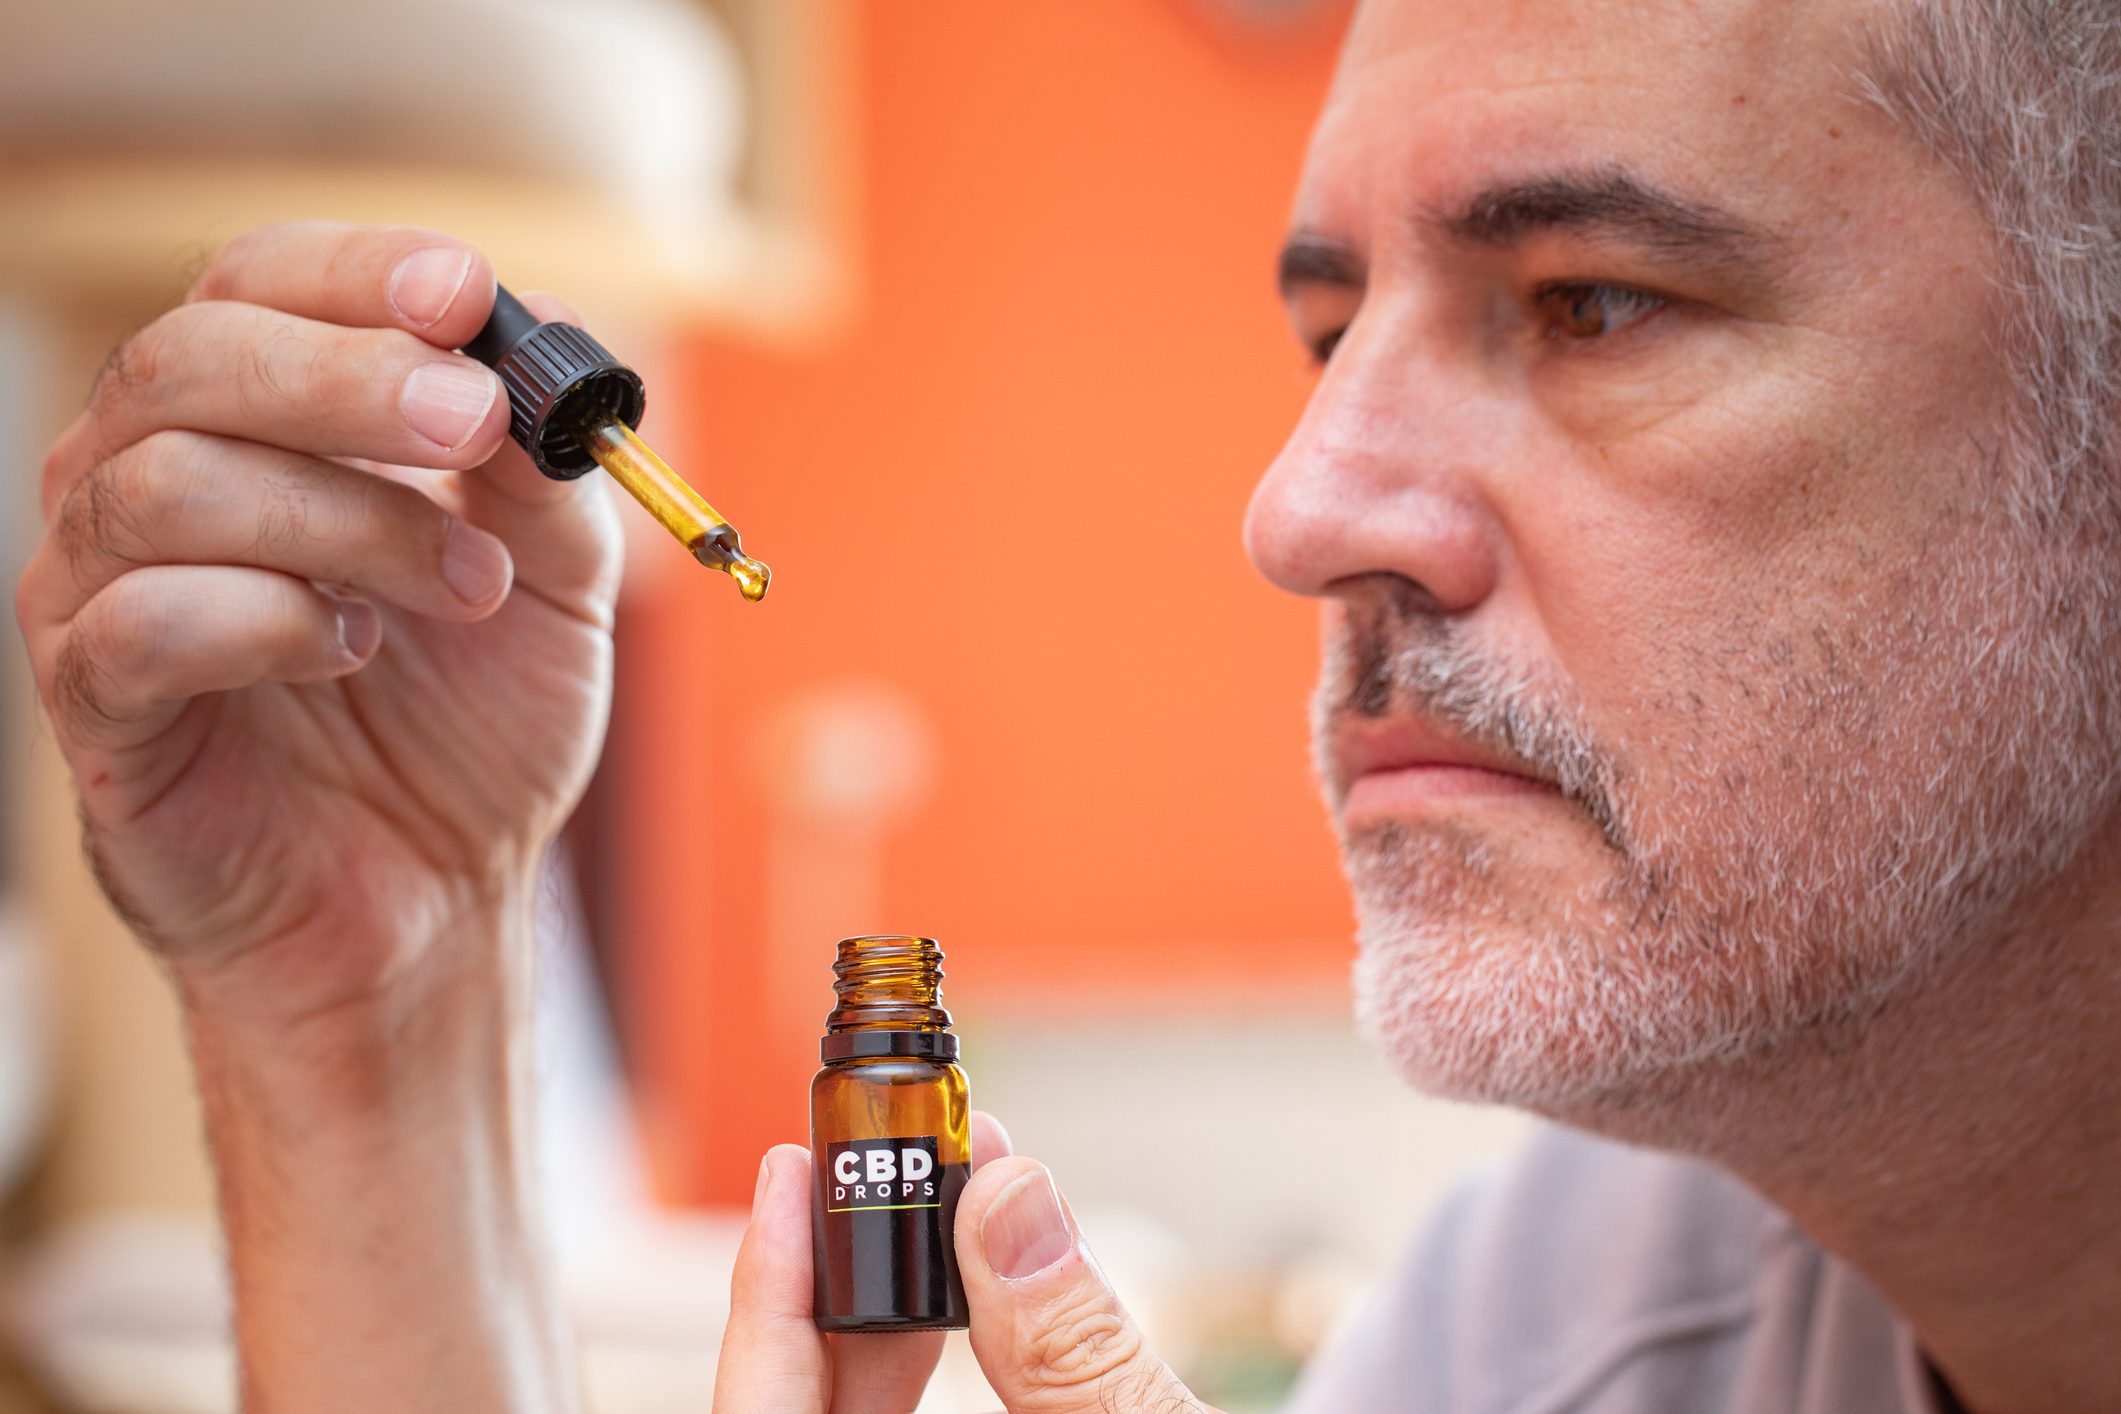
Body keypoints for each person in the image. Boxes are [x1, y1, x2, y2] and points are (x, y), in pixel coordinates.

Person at [15, 0, 2120, 1407]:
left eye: (1593, 301)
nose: (1296, 511)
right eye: (1329, 332)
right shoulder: (1564, 1316)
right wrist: (374, 1013)